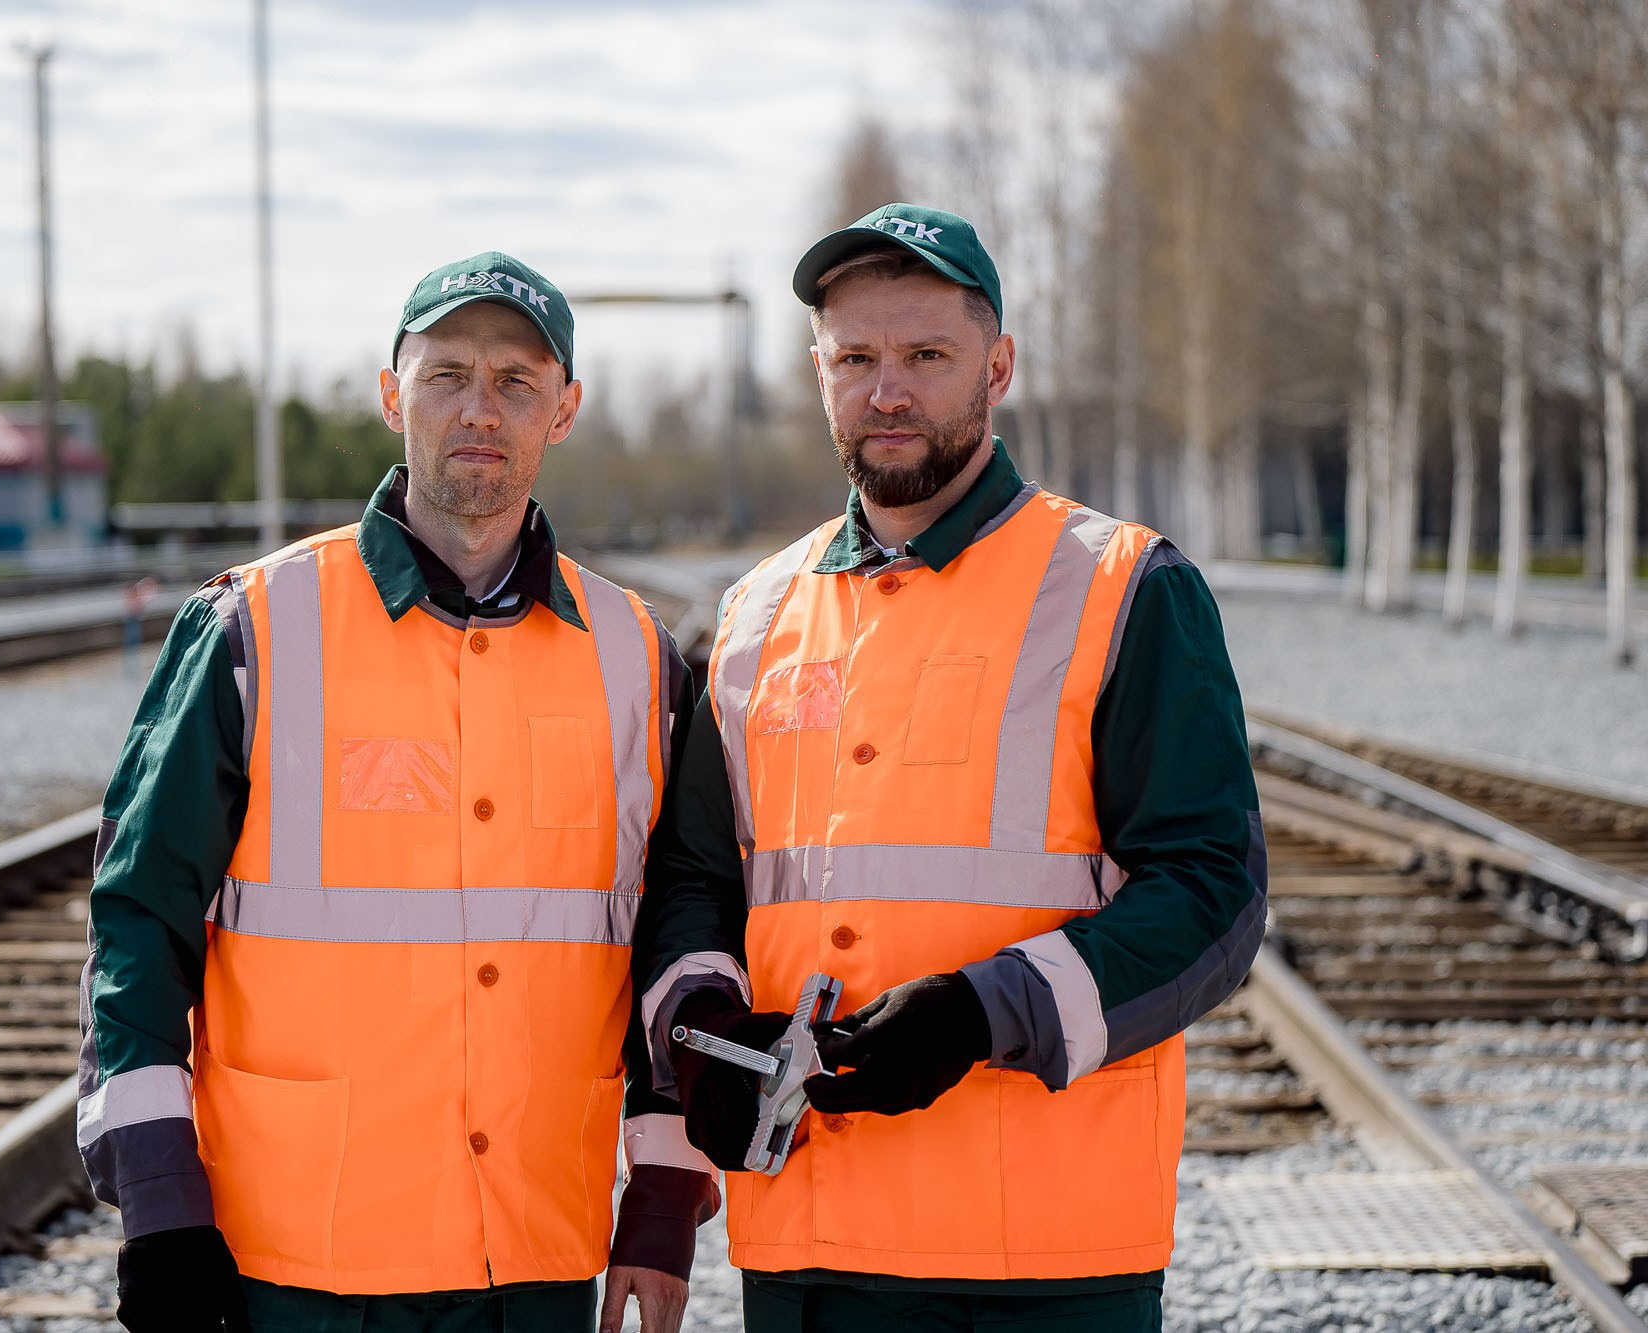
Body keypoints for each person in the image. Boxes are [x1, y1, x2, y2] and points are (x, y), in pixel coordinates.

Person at [636, 203, 1268, 1332]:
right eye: (857, 358)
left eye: (925, 356)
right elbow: (692, 879)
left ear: (998, 365)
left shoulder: (1123, 586)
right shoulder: (750, 618)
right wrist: (701, 1028)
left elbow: (1210, 895)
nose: (889, 390)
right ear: (817, 371)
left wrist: (982, 1013)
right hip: (807, 1241)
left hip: (1044, 1250)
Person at [76, 252, 719, 1333]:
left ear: (563, 410)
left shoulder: (639, 661)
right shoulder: (251, 628)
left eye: (517, 381)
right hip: (293, 1259)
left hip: (532, 1258)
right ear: (391, 393)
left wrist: (659, 1202)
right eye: (447, 374)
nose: (481, 408)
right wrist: (159, 1207)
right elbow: (137, 922)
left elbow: (673, 943)